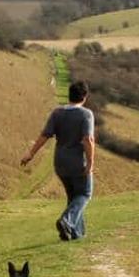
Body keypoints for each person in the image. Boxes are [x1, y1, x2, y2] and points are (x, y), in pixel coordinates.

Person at [20, 80, 95, 241]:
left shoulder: (57, 113)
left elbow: (44, 135)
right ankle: (66, 221)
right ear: (85, 97)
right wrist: (90, 163)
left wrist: (30, 154)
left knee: (73, 197)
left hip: (60, 163)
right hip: (76, 163)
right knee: (85, 194)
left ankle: (75, 234)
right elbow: (88, 139)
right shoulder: (85, 114)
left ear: (69, 96)